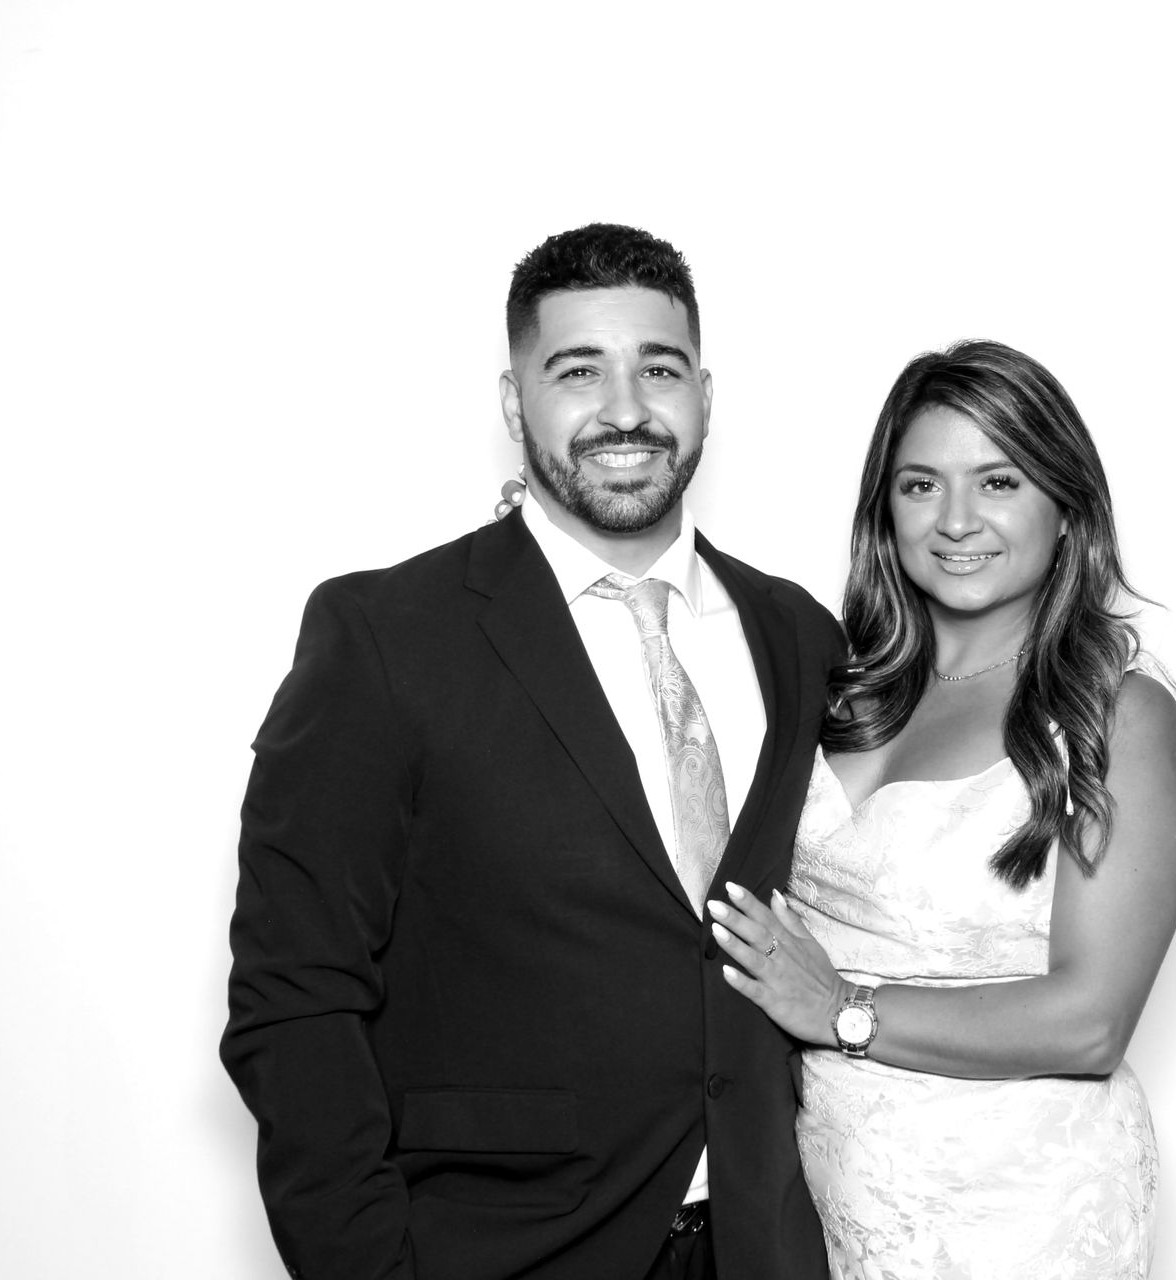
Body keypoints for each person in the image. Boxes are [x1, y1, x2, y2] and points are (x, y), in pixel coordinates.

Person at [221, 224, 837, 1280]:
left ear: (705, 394)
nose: (627, 408)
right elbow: (295, 996)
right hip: (503, 1249)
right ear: (514, 403)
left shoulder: (797, 633)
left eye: (659, 367)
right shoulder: (387, 635)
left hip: (766, 1244)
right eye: (577, 370)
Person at [710, 340, 1176, 1279]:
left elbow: (1092, 1022)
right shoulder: (831, 690)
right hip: (827, 1198)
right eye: (921, 485)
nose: (958, 520)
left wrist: (843, 1009)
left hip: (1022, 1211)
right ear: (884, 512)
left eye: (1000, 481)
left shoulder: (1115, 711)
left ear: (1067, 510)